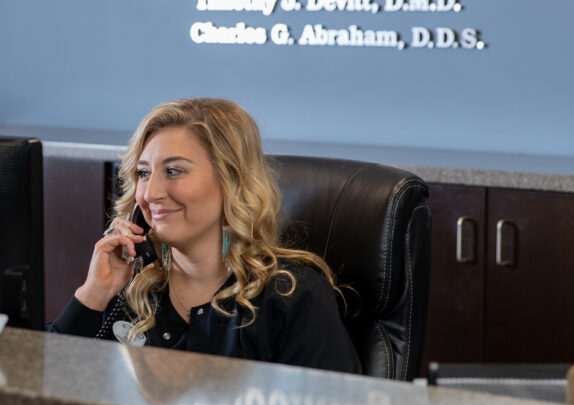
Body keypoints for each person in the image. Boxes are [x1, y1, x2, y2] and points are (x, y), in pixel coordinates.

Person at [47, 97, 361, 374]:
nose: (150, 193)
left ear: (231, 181)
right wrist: (94, 294)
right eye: (143, 173)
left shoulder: (292, 297)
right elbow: (40, 383)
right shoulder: (132, 288)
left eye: (173, 171)